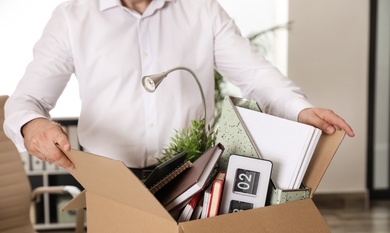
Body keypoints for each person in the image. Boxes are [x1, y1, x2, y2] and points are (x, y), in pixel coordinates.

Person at [4, 0, 354, 173]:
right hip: (112, 184)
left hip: (190, 177)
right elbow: (27, 100)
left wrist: (299, 109)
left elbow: (255, 75)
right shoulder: (72, 17)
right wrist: (32, 124)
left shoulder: (200, 10)